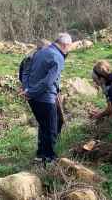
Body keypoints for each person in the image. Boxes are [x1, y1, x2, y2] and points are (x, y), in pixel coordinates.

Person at [22, 33, 73, 163]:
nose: (69, 50)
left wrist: (27, 90)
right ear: (65, 45)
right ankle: (50, 159)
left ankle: (40, 156)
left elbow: (26, 72)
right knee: (51, 129)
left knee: (44, 127)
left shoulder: (40, 52)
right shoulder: (58, 57)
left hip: (33, 98)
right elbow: (47, 82)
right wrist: (31, 92)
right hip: (45, 98)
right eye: (69, 47)